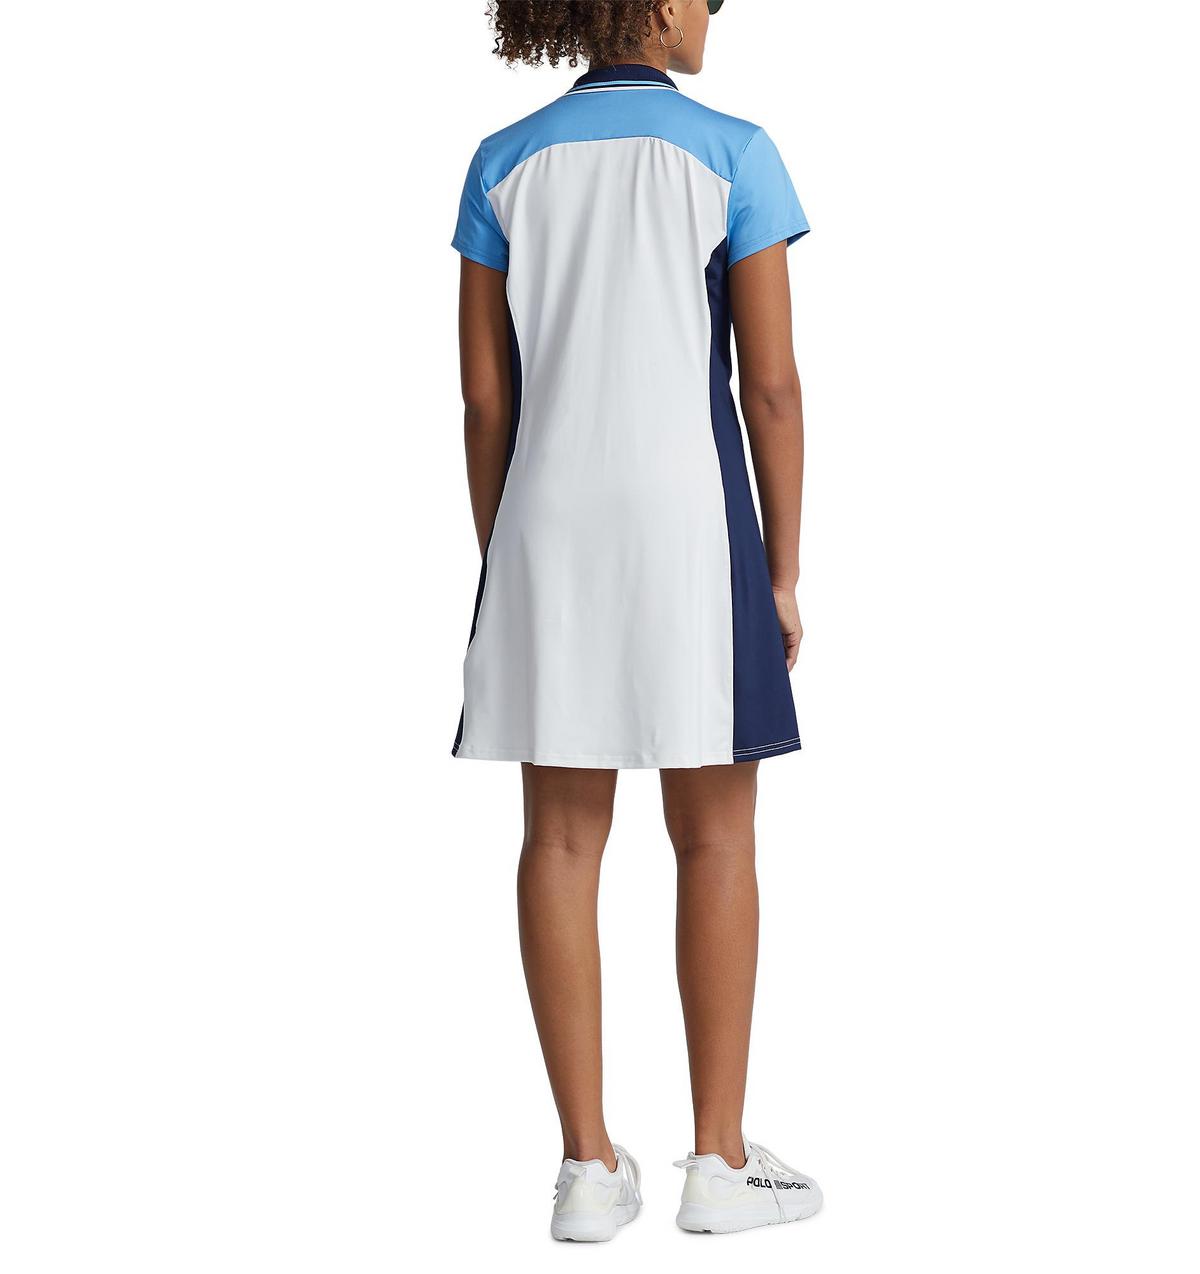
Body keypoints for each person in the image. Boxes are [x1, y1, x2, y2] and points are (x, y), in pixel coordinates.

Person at [451, 0, 820, 1240]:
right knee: (714, 835)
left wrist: (505, 555)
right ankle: (717, 1158)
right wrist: (781, 570)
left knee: (559, 839)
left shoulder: (500, 162)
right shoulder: (736, 154)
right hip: (691, 524)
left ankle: (585, 1167)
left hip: (544, 522)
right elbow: (770, 388)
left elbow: (483, 398)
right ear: (659, 2)